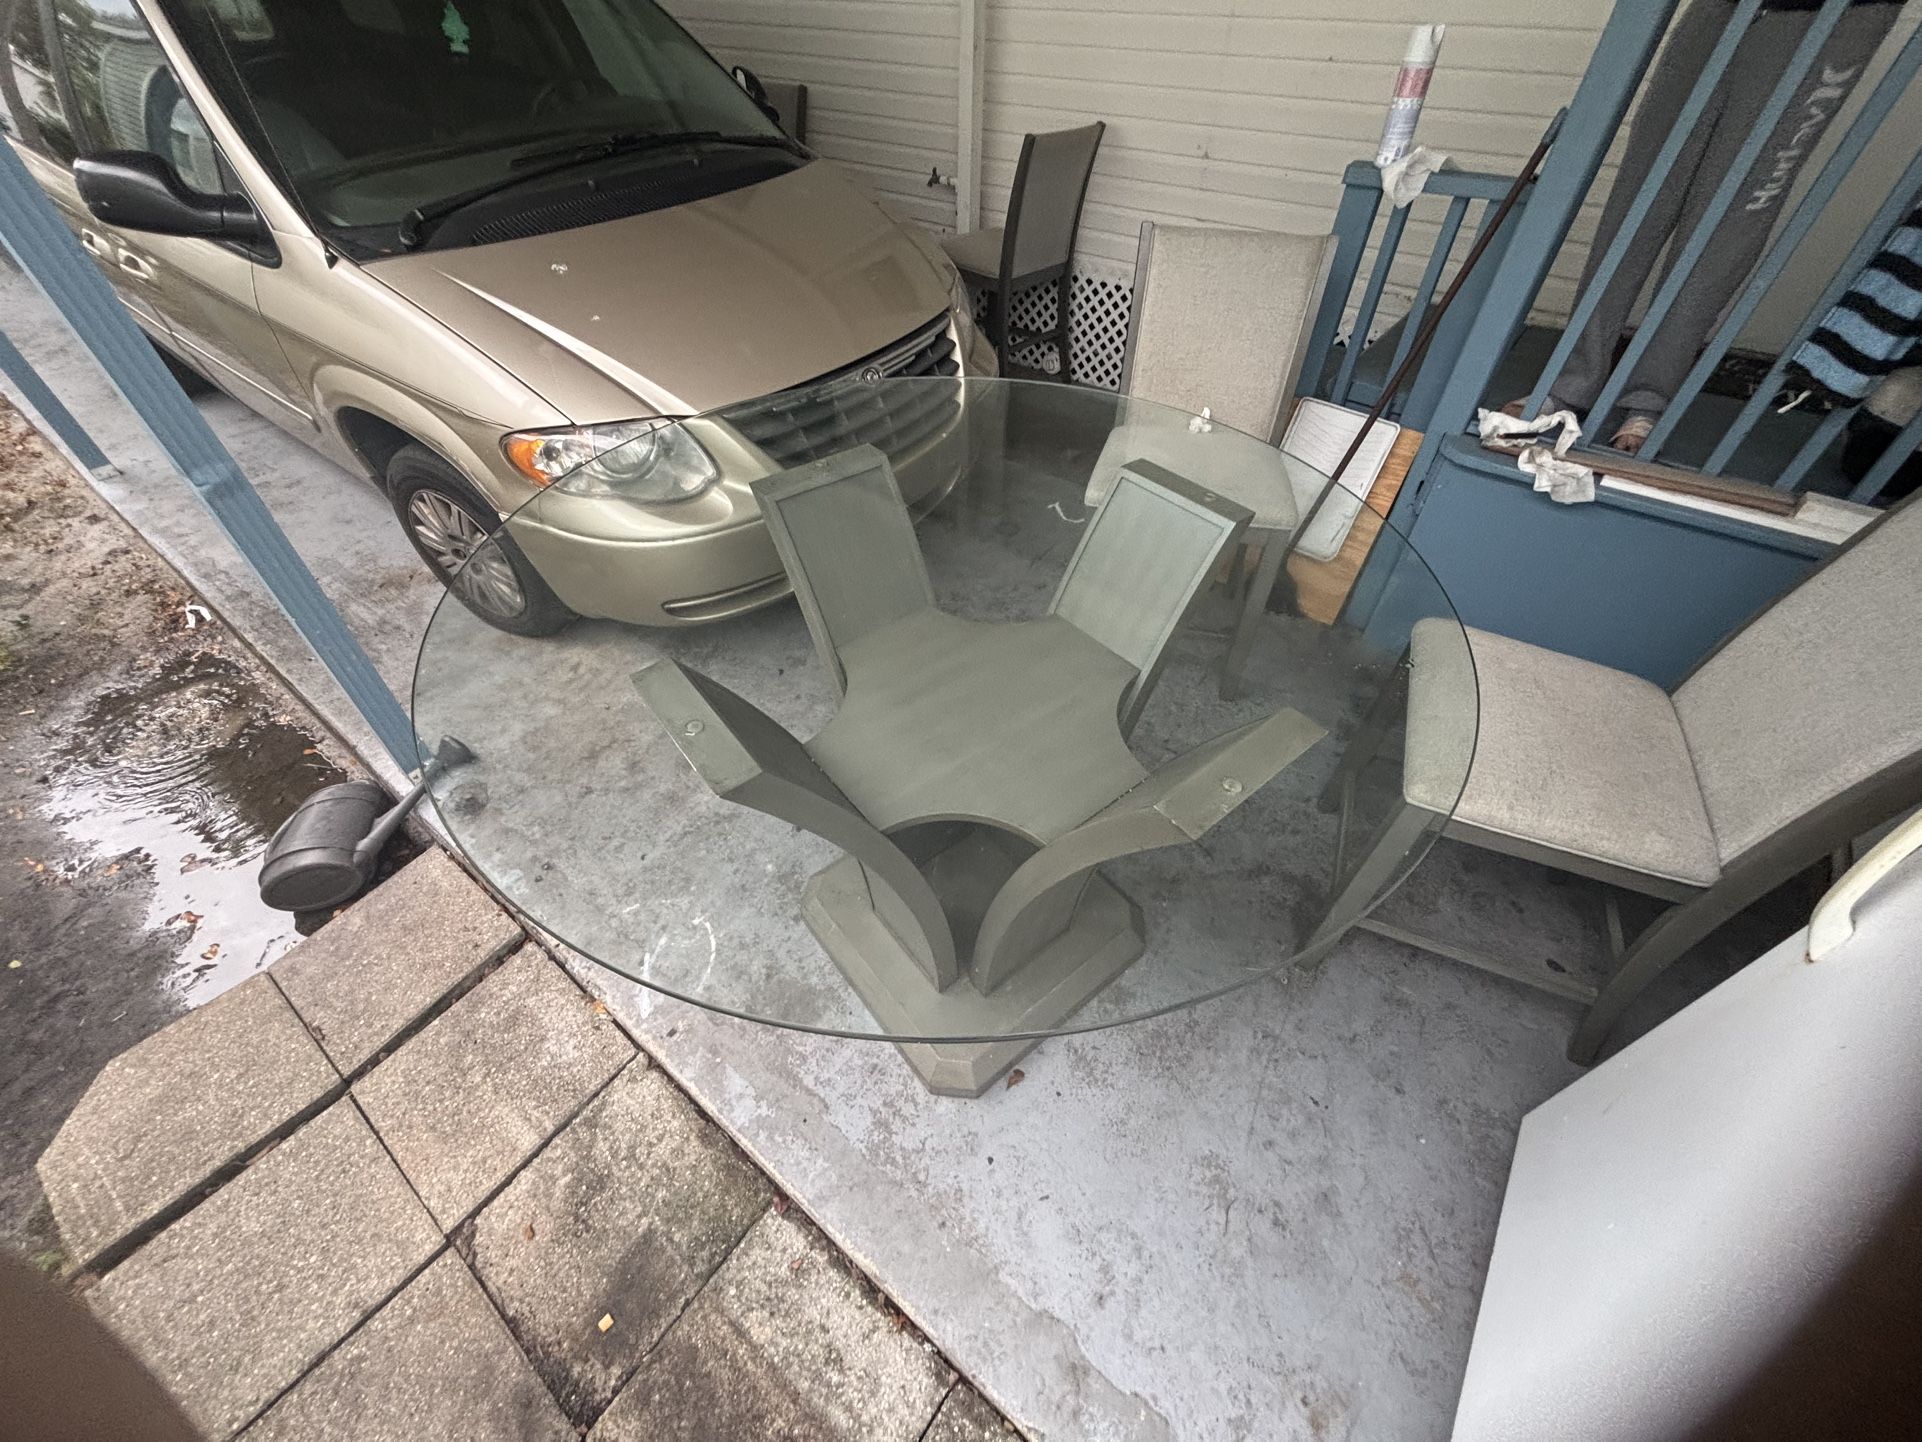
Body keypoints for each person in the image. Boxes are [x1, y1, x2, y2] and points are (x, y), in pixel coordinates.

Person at [1523, 0, 1905, 452]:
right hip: (1719, 9)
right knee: (1638, 206)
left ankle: (1649, 399)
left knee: (1730, 229)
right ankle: (1572, 381)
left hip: (1837, 16)